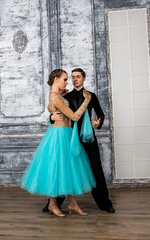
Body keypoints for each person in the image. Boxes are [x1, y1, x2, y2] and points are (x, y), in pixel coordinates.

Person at [20, 69, 96, 217]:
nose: (68, 82)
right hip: (59, 134)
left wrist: (55, 106)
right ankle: (53, 204)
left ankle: (72, 204)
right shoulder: (55, 97)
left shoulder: (56, 96)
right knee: (58, 168)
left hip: (65, 133)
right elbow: (74, 116)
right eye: (65, 79)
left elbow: (51, 107)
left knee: (67, 168)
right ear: (56, 79)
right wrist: (86, 101)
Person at [42, 68, 115, 213]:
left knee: (96, 170)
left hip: (87, 137)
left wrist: (98, 122)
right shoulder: (65, 96)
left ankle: (105, 204)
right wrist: (51, 118)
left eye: (78, 77)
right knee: (64, 169)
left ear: (84, 78)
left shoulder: (91, 96)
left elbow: (100, 113)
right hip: (69, 136)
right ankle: (53, 203)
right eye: (72, 77)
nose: (74, 79)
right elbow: (54, 110)